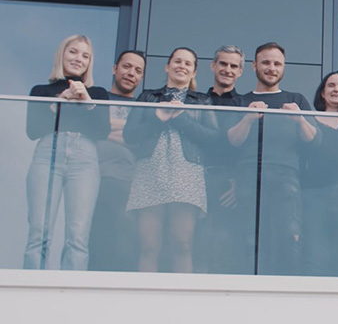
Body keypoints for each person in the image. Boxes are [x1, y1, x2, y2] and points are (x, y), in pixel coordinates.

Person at [226, 42, 318, 275]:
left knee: (288, 237)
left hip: (286, 174)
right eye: (266, 62)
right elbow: (231, 141)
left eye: (277, 63)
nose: (271, 67)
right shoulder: (240, 101)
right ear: (254, 66)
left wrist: (300, 119)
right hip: (249, 175)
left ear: (284, 67)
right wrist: (247, 118)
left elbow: (314, 140)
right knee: (250, 239)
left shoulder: (296, 99)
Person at [123, 47, 218, 273]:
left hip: (187, 169)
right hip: (150, 168)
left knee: (183, 243)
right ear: (167, 66)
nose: (182, 66)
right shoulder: (148, 96)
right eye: (177, 61)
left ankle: (182, 302)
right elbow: (130, 135)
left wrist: (182, 119)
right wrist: (158, 118)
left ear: (194, 72)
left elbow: (214, 138)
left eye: (188, 64)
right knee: (148, 245)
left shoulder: (203, 100)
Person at [25, 35, 111, 270]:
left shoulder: (98, 93)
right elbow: (32, 130)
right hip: (47, 154)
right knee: (39, 232)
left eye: (85, 56)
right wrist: (59, 101)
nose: (78, 59)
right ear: (62, 54)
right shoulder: (41, 90)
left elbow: (103, 131)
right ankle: (31, 290)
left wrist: (87, 101)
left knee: (78, 235)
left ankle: (71, 294)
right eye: (73, 52)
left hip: (84, 159)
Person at [89, 50, 145, 272]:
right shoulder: (98, 98)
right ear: (115, 69)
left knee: (125, 246)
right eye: (127, 67)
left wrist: (107, 127)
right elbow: (92, 128)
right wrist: (127, 132)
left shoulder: (143, 106)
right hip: (94, 179)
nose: (131, 73)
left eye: (138, 71)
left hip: (130, 184)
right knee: (94, 243)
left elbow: (140, 141)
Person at [299, 71, 338, 276]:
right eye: (331, 85)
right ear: (322, 93)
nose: (336, 90)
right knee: (314, 253)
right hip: (314, 194)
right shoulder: (310, 120)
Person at [198, 45, 246, 273]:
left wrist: (239, 183)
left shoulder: (244, 104)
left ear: (240, 72)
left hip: (227, 182)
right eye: (223, 64)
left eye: (233, 66)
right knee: (192, 245)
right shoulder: (196, 100)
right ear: (213, 65)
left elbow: (249, 149)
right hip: (194, 177)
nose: (228, 69)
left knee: (224, 249)